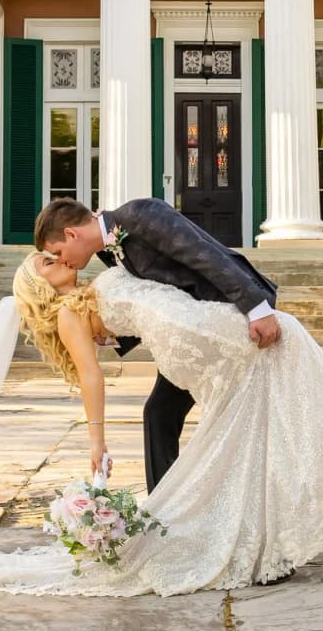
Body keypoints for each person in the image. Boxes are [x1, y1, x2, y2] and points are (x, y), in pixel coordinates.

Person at [0, 225, 323, 594]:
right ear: (37, 289)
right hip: (205, 340)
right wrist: (97, 441)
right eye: (43, 263)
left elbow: (165, 284)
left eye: (51, 252)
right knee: (244, 431)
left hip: (204, 328)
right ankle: (235, 536)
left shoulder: (96, 281)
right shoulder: (67, 313)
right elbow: (90, 375)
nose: (52, 258)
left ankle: (240, 531)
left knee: (253, 422)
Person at [35, 196, 279, 492]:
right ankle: (164, 512)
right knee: (158, 414)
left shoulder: (140, 214)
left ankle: (198, 504)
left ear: (71, 234)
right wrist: (115, 336)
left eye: (59, 252)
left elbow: (203, 254)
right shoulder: (110, 249)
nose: (62, 260)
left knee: (219, 419)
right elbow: (154, 297)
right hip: (189, 334)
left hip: (225, 317)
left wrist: (257, 308)